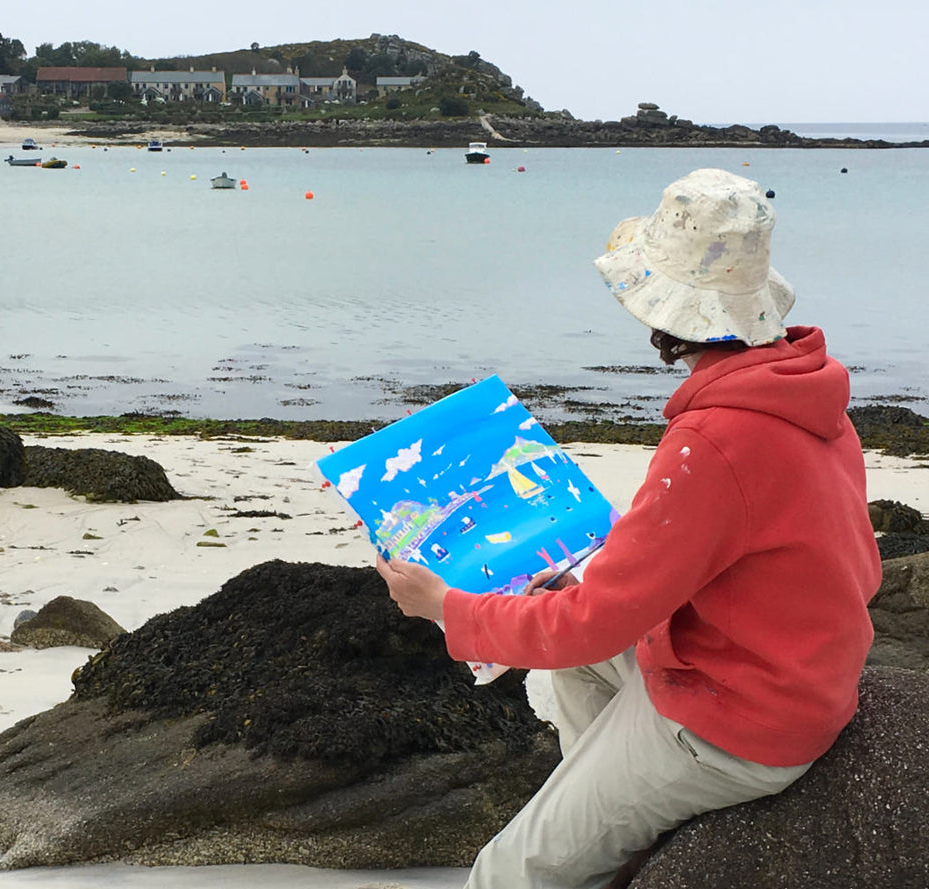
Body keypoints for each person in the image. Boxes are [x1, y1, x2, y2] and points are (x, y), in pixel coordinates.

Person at [375, 168, 882, 889]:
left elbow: (595, 622)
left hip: (739, 716)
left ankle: (589, 839)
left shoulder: (715, 438)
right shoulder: (806, 392)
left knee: (504, 873)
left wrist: (444, 607)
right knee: (573, 668)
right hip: (793, 671)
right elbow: (845, 565)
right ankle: (611, 842)